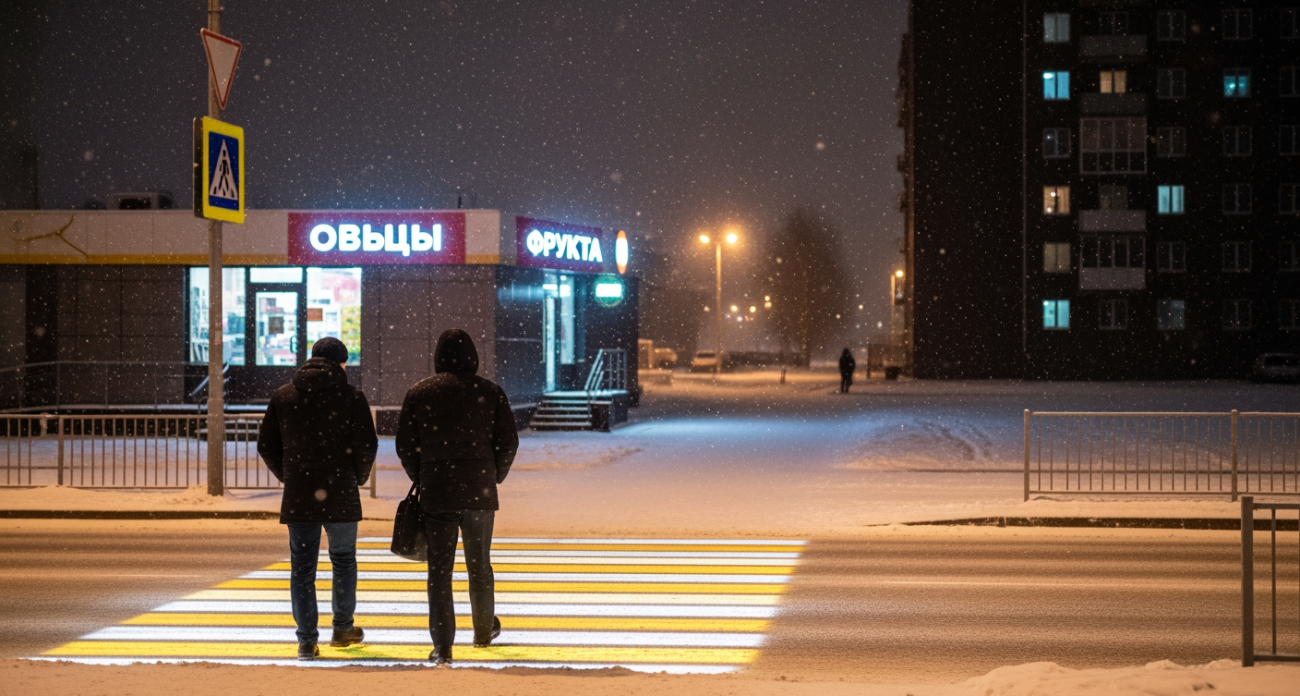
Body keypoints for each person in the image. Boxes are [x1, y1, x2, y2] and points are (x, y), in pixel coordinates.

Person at [396, 328, 519, 666]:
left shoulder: (420, 393)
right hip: (479, 491)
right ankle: (482, 632)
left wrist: (422, 476)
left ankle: (443, 646)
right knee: (479, 566)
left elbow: (405, 444)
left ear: (438, 356)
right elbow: (508, 441)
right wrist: (493, 475)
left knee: (439, 571)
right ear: (472, 356)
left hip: (437, 492)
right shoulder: (490, 392)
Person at [256, 337, 378, 661]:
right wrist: (357, 477)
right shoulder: (352, 397)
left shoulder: (283, 396)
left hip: (300, 495)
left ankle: (307, 641)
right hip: (341, 493)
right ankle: (343, 627)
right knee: (343, 560)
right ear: (340, 364)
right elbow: (367, 447)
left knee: (302, 569)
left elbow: (266, 444)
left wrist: (290, 475)